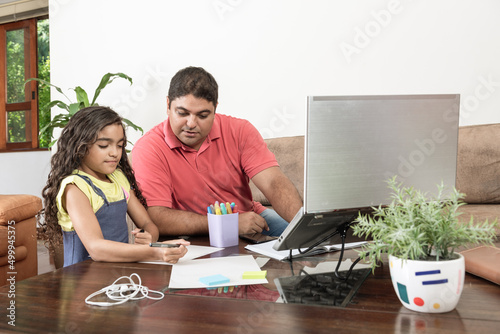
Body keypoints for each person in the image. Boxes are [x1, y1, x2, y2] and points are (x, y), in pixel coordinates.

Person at [132, 66, 303, 237]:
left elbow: (274, 183)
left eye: (203, 115)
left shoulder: (240, 131)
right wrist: (226, 224)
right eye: (182, 113)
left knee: (314, 242)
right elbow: (156, 218)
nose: (191, 123)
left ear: (215, 109)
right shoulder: (148, 148)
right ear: (168, 105)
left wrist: (305, 227)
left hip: (248, 221)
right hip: (190, 232)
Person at [41, 106, 189, 267]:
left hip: (117, 273)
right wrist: (155, 252)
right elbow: (96, 248)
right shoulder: (75, 188)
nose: (115, 153)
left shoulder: (118, 178)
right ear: (80, 146)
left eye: (119, 145)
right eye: (104, 146)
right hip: (82, 280)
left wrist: (150, 237)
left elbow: (148, 223)